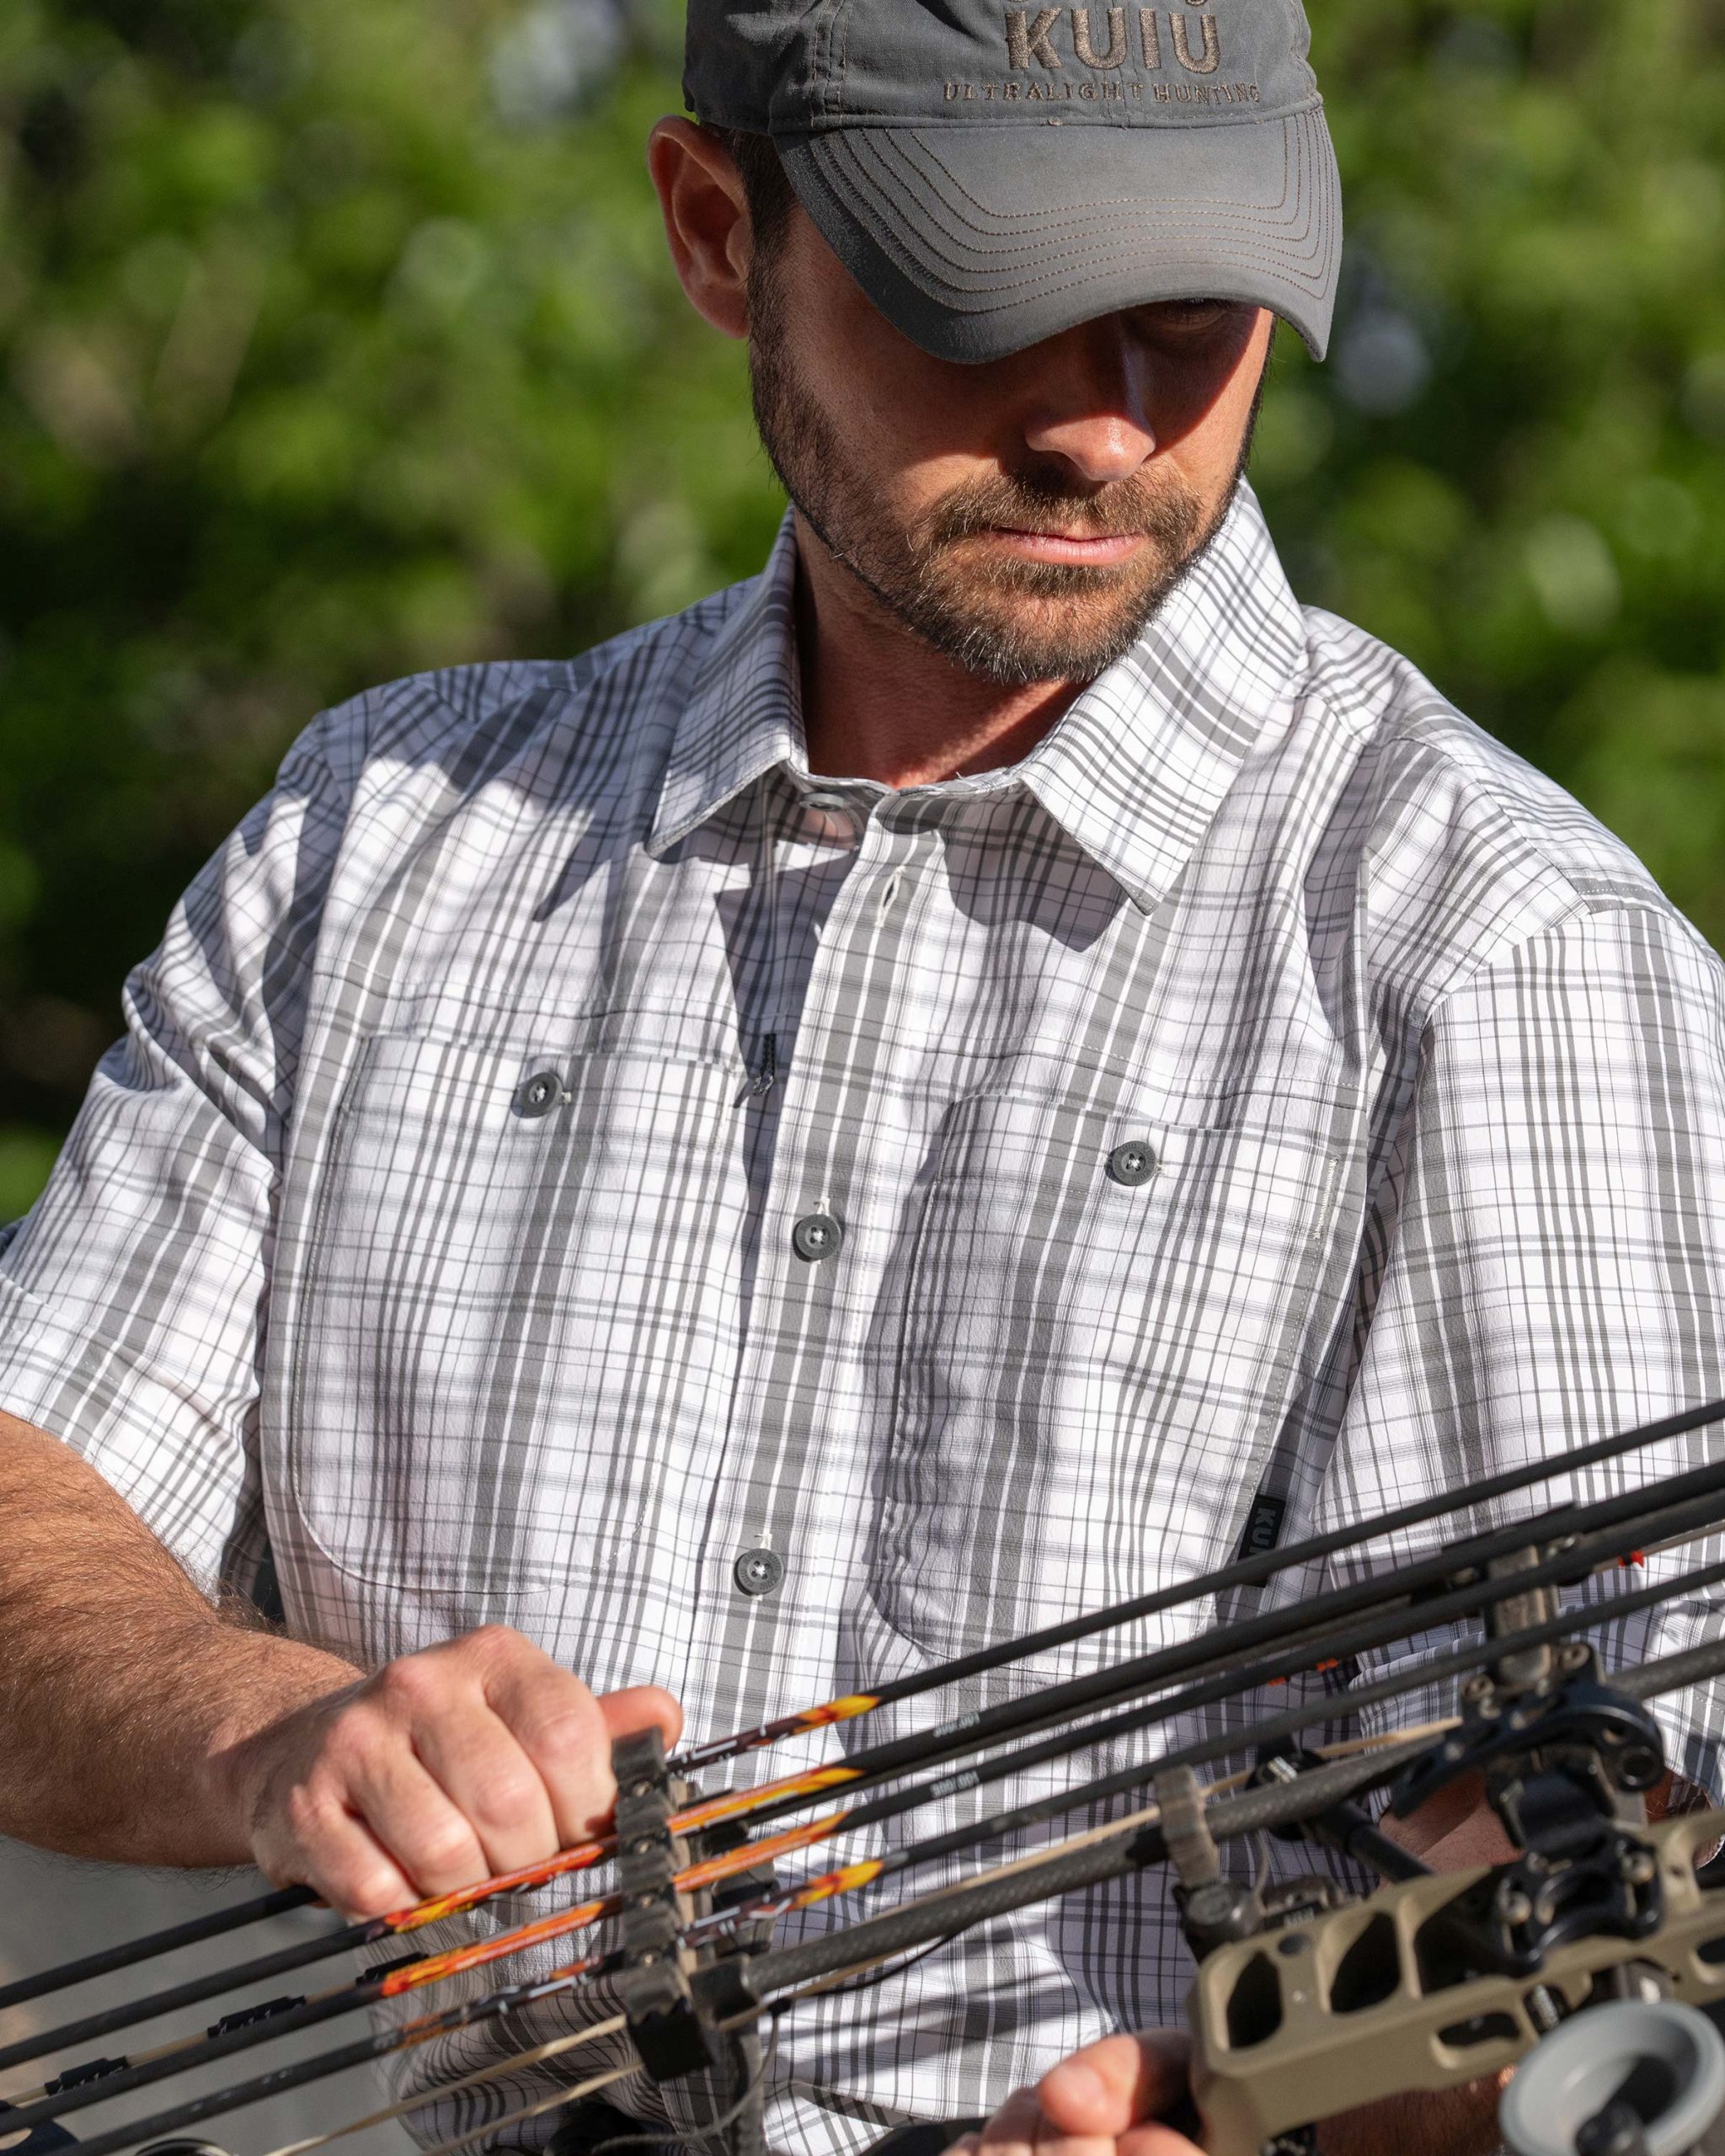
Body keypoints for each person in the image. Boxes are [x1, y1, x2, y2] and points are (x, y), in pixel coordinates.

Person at [1, 3, 1722, 2154]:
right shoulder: (384, 830)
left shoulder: (1504, 954)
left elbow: (1596, 1962)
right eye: (985, 298)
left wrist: (1261, 2122)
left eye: (1192, 315)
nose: (1108, 429)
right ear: (719, 231)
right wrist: (273, 1731)